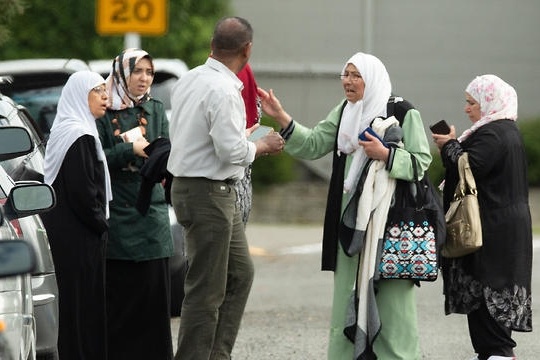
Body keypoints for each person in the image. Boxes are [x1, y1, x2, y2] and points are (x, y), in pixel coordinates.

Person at [259, 52, 432, 359]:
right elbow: (314, 144)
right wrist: (281, 116)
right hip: (349, 223)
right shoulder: (345, 111)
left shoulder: (402, 111)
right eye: (345, 75)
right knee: (345, 302)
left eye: (356, 75)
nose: (348, 82)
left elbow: (421, 162)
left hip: (389, 224)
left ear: (373, 78)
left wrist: (386, 154)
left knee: (393, 304)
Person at [167, 16, 284, 360]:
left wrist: (243, 139)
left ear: (212, 45)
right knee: (206, 289)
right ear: (247, 50)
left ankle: (216, 354)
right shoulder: (224, 90)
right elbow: (230, 151)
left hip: (196, 187)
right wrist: (262, 145)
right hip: (209, 193)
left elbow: (199, 138)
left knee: (240, 273)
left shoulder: (189, 79)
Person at [432, 74, 532, 360]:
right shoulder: (502, 131)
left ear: (489, 102)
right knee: (483, 289)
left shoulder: (495, 133)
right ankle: (493, 353)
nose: (467, 109)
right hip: (500, 224)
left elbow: (469, 166)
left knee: (490, 288)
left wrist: (449, 145)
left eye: (471, 103)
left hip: (495, 228)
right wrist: (451, 146)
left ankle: (498, 353)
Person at [96, 48, 174, 360]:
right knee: (120, 302)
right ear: (120, 74)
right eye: (137, 71)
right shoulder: (104, 112)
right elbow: (98, 157)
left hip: (152, 214)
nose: (143, 78)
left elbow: (166, 149)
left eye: (149, 73)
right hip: (118, 215)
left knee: (153, 303)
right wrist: (131, 152)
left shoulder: (156, 109)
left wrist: (160, 158)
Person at [41, 70, 112, 360]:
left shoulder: (72, 129)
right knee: (81, 305)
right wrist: (102, 223)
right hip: (79, 235)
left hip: (71, 232)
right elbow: (83, 193)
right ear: (80, 96)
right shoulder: (78, 135)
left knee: (77, 304)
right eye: (97, 91)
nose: (105, 97)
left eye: (105, 90)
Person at [236, 62, 262, 224]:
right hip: (228, 187)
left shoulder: (197, 78)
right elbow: (231, 149)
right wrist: (262, 145)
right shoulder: (227, 87)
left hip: (235, 184)